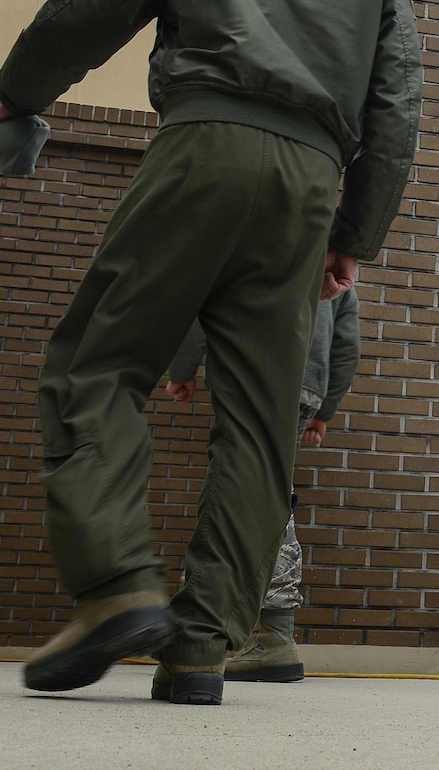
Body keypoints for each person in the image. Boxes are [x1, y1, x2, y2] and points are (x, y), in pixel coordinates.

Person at [0, 0, 423, 705]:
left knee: (98, 363)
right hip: (309, 190)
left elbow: (90, 3)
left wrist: (20, 92)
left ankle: (117, 583)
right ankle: (199, 649)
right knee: (262, 425)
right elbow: (397, 111)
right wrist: (353, 238)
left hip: (202, 144)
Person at [166, 284, 362, 683]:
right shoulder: (333, 261)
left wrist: (183, 369)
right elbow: (345, 344)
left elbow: (209, 303)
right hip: (305, 387)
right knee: (265, 491)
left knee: (234, 492)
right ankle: (276, 636)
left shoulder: (257, 230)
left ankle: (204, 638)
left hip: (252, 376)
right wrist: (325, 408)